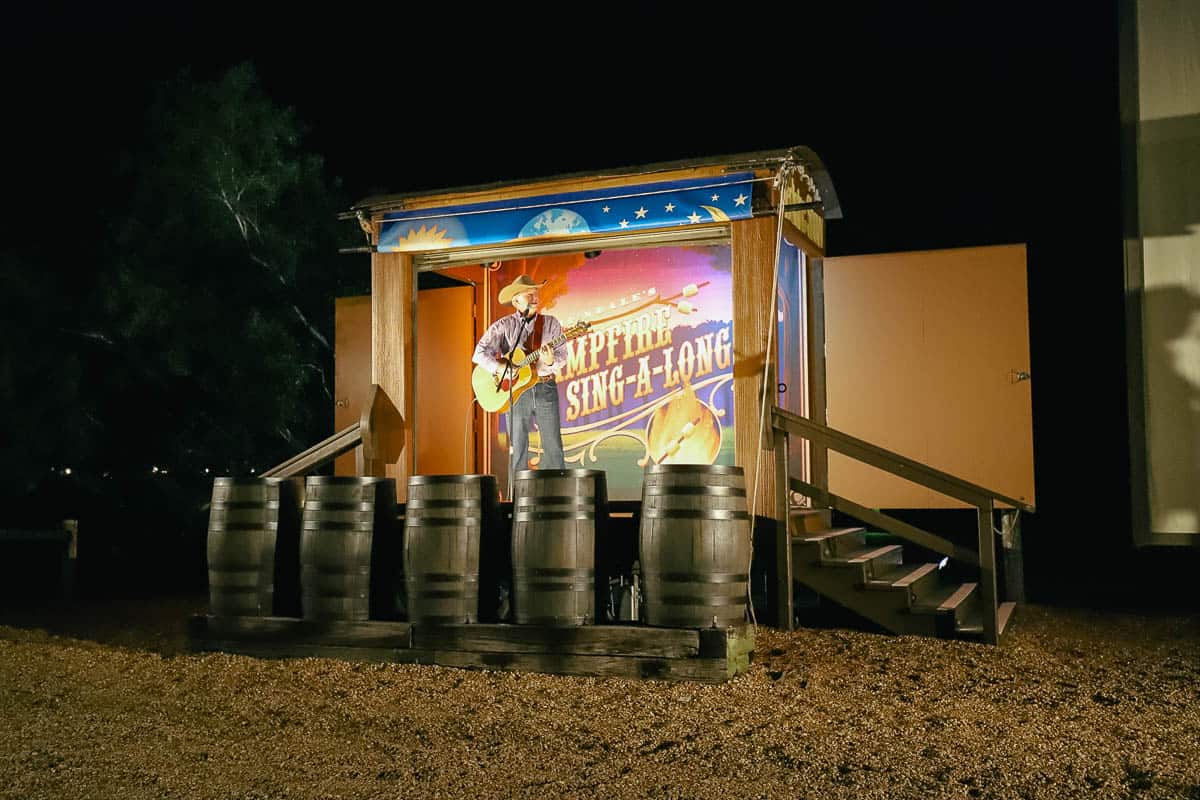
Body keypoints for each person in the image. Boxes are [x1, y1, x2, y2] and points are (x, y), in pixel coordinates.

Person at [472, 274, 568, 483]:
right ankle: (519, 502)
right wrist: (500, 368)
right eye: (528, 294)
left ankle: (558, 498)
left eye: (535, 293)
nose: (534, 297)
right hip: (515, 392)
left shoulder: (551, 324)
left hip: (545, 387)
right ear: (515, 301)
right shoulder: (504, 326)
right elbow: (478, 354)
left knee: (553, 447)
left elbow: (563, 357)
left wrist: (550, 361)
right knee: (518, 448)